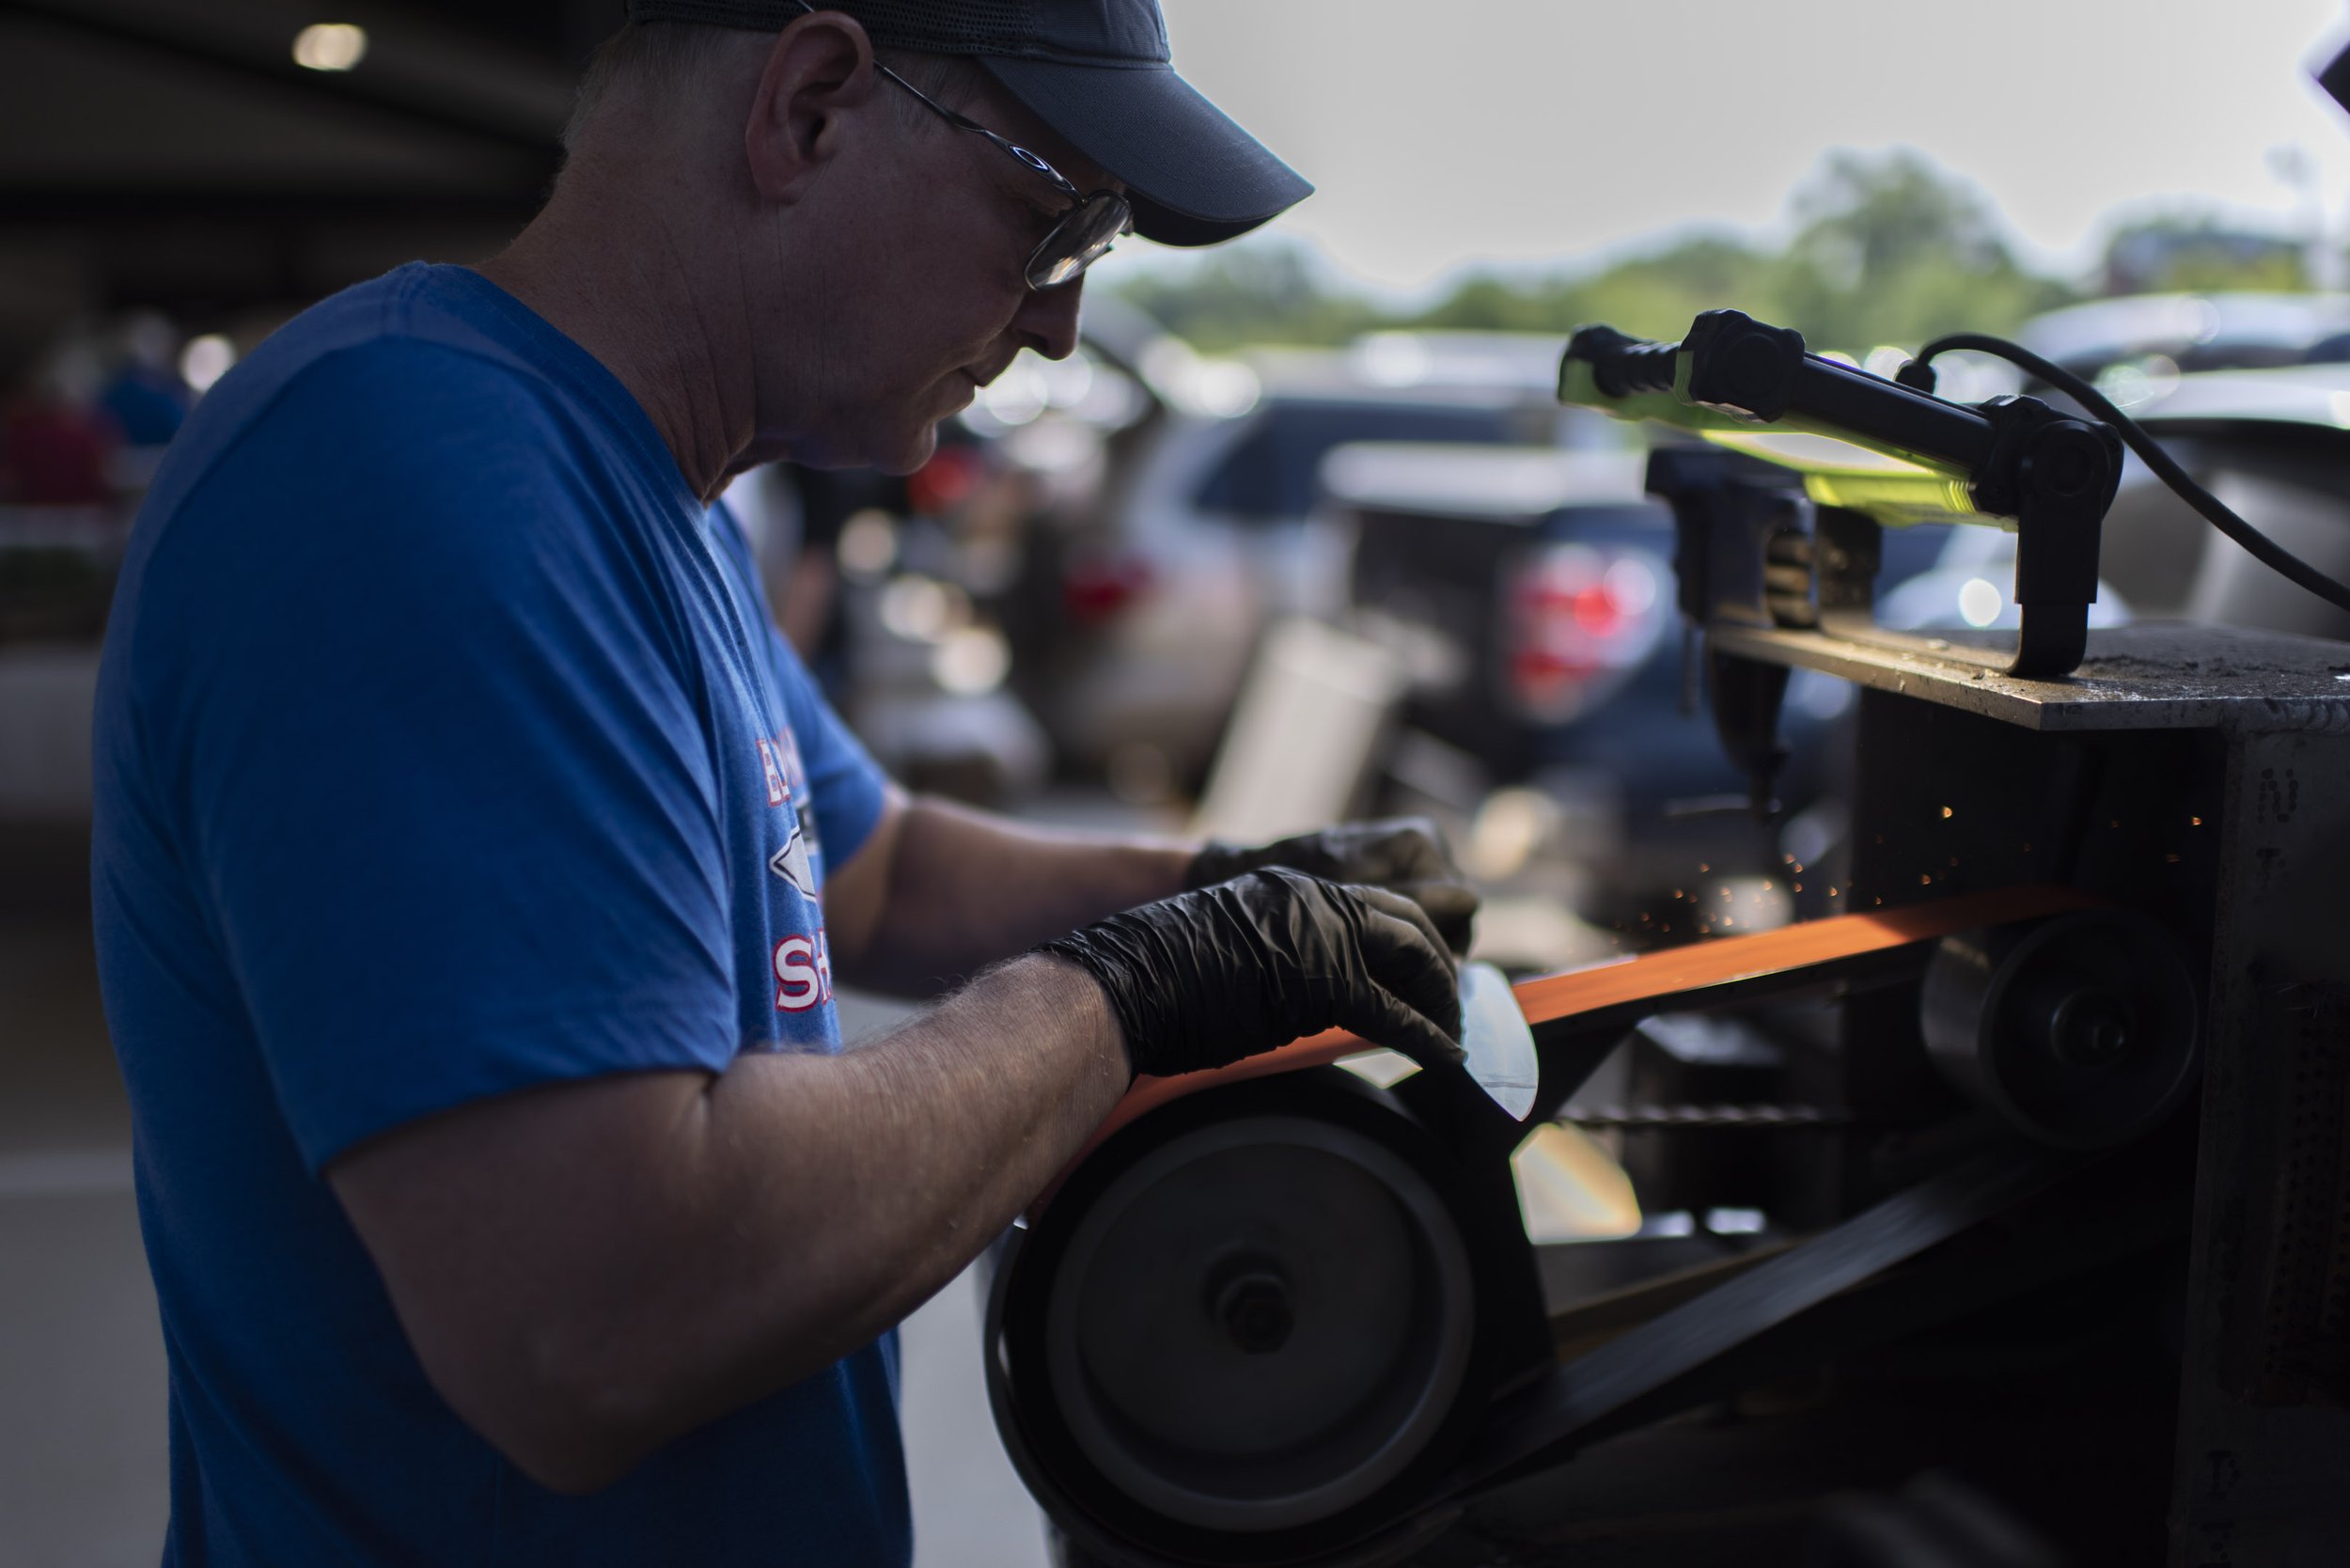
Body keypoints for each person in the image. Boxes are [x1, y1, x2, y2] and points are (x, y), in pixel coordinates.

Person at [89, 3, 1475, 1565]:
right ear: (812, 107)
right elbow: (596, 1317)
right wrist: (1132, 995)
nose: (1062, 325)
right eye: (1056, 220)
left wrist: (1242, 886)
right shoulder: (415, 480)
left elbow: (869, 873)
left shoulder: (645, 491)